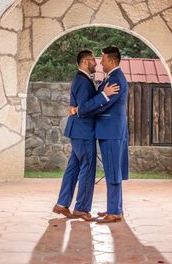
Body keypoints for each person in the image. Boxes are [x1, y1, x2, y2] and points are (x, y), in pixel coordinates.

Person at [52, 49, 119, 221]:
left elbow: (83, 105)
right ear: (84, 62)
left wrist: (101, 89)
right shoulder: (82, 81)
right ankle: (81, 208)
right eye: (92, 60)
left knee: (73, 167)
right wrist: (105, 95)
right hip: (83, 131)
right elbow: (85, 107)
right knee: (88, 168)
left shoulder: (83, 80)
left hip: (79, 131)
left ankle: (62, 204)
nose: (96, 63)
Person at [76, 45, 129, 223]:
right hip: (108, 132)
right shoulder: (110, 77)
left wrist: (81, 109)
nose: (100, 62)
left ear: (112, 61)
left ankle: (114, 211)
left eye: (103, 59)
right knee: (112, 171)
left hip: (112, 133)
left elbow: (102, 104)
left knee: (113, 172)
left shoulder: (116, 80)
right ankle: (115, 208)